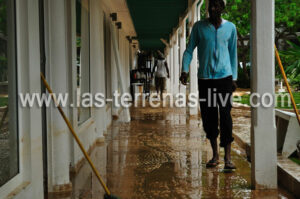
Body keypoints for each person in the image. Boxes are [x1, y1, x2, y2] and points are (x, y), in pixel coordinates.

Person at [180, 0, 238, 170]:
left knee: (225, 116)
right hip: (205, 80)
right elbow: (189, 50)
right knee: (209, 117)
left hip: (224, 78)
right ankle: (215, 156)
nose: (213, 8)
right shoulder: (199, 27)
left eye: (217, 5)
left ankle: (228, 158)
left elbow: (233, 53)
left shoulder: (230, 28)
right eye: (211, 5)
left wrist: (234, 77)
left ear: (222, 8)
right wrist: (184, 70)